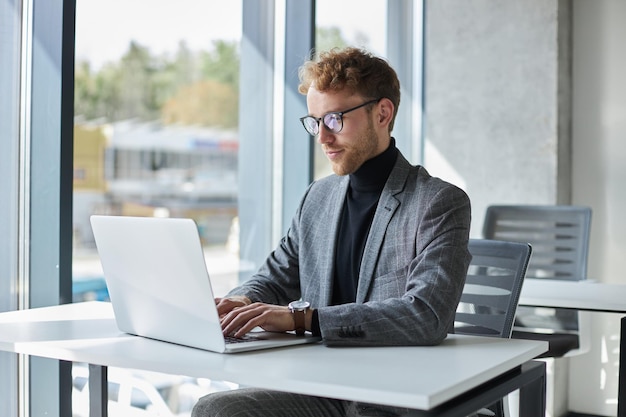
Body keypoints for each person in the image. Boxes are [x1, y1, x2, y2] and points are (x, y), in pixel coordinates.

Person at [192, 46, 472, 417]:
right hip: (316, 384)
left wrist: (302, 320)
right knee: (217, 409)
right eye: (314, 121)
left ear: (382, 113)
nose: (322, 137)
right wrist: (241, 303)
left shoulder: (438, 202)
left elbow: (426, 316)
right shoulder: (317, 197)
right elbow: (275, 278)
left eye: (335, 119)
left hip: (391, 396)